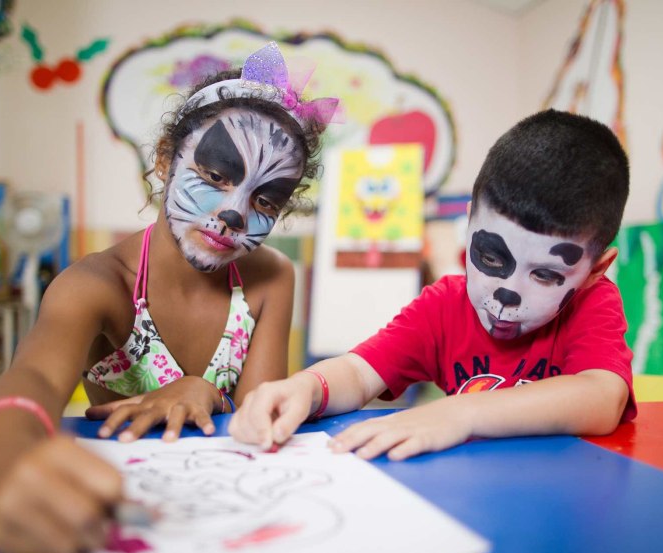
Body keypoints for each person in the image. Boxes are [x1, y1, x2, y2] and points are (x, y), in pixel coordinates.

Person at [0, 42, 338, 553]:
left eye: (264, 199)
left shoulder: (271, 278)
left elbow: (260, 418)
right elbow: (32, 378)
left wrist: (205, 392)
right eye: (214, 176)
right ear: (166, 159)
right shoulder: (98, 285)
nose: (233, 213)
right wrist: (1, 455)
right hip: (124, 512)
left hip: (233, 514)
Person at [230, 109, 635, 463]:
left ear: (596, 270)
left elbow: (601, 397)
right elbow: (358, 373)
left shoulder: (593, 302)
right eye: (492, 258)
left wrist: (461, 413)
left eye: (545, 274)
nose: (506, 293)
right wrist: (306, 387)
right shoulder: (445, 307)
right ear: (471, 222)